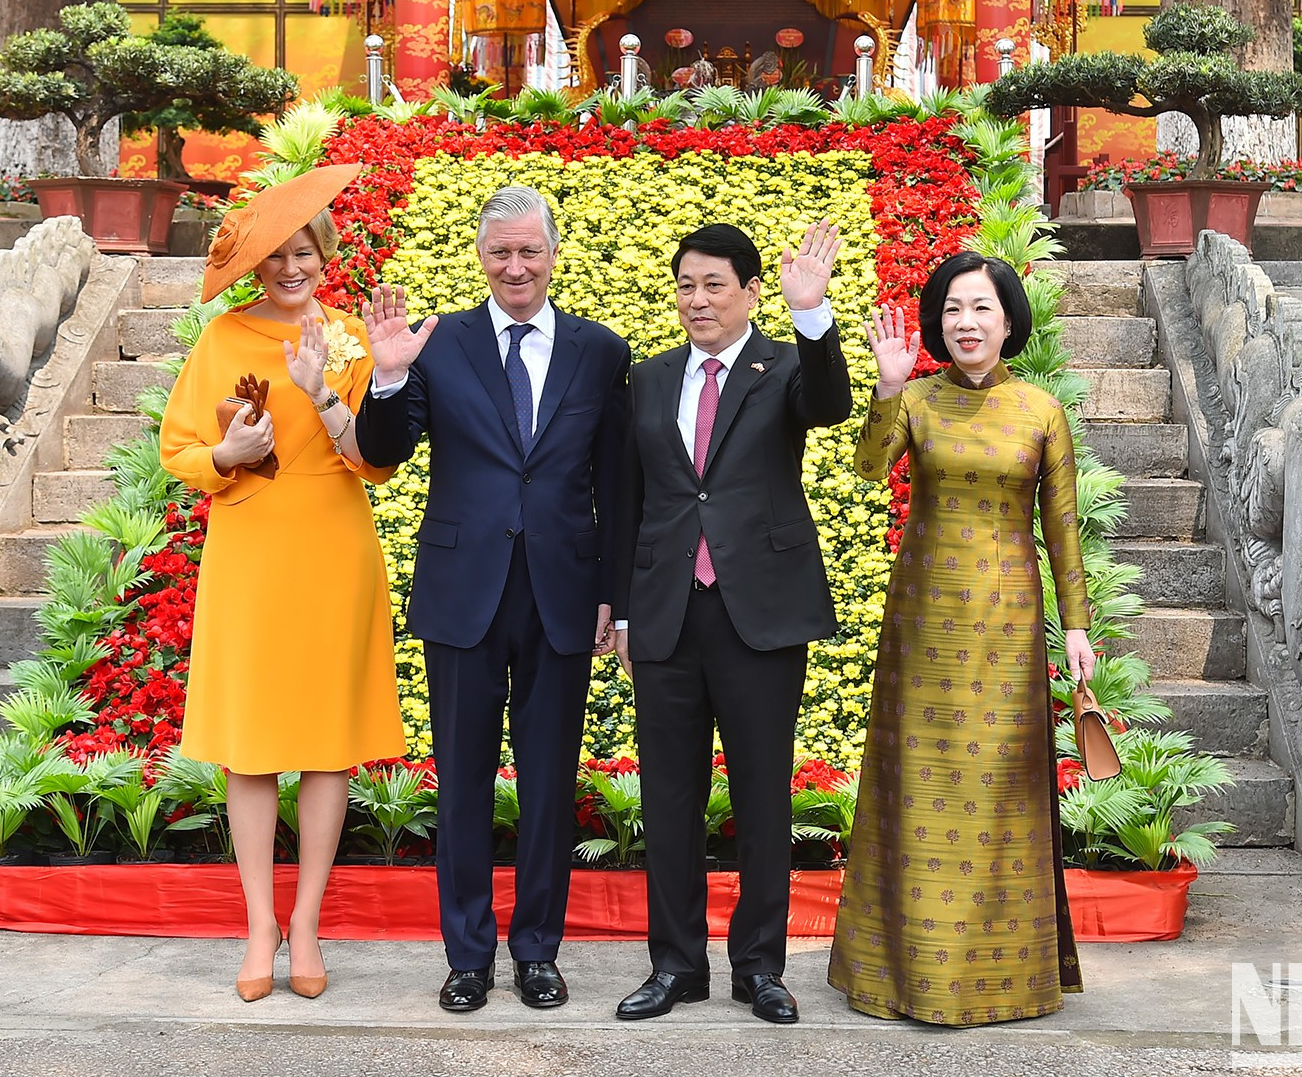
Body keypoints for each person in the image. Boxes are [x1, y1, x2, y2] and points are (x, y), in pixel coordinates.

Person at [354, 185, 630, 1014]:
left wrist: (614, 594)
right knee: (464, 780)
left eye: (529, 251)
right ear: (482, 257)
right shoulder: (439, 344)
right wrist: (389, 377)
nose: (516, 267)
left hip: (563, 594)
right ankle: (467, 955)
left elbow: (615, 483)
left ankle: (538, 952)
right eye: (500, 252)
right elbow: (383, 450)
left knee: (549, 782)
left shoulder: (599, 350)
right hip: (463, 590)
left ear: (553, 254)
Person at [826, 250, 1099, 1027]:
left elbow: (1063, 528)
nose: (965, 323)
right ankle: (900, 974)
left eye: (980, 308)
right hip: (922, 626)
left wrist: (1075, 627)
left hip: (1010, 626)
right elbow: (868, 471)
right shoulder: (915, 398)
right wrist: (884, 388)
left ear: (1009, 319)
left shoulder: (1041, 411)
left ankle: (1004, 978)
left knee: (1002, 790)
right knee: (917, 784)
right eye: (951, 309)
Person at [157, 162, 406, 1003]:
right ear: (256, 268)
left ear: (323, 253)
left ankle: (307, 919)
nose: (291, 268)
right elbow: (179, 450)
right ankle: (259, 920)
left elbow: (376, 463)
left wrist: (322, 396)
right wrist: (224, 457)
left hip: (334, 544)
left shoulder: (348, 340)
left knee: (329, 743)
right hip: (252, 549)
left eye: (304, 252)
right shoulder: (223, 338)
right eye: (275, 258)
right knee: (253, 743)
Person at [611, 221, 853, 1025]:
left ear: (751, 292)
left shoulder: (782, 365)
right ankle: (675, 965)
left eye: (715, 284)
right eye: (686, 284)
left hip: (761, 614)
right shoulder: (647, 381)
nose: (697, 299)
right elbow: (631, 504)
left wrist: (810, 316)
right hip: (667, 616)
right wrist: (619, 610)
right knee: (669, 796)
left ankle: (759, 967)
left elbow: (828, 405)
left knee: (760, 796)